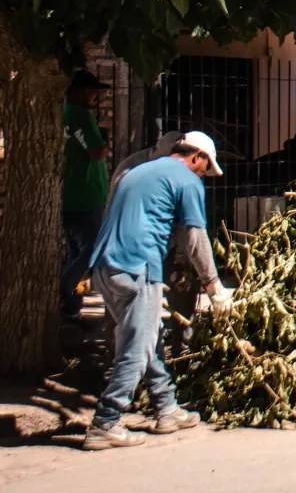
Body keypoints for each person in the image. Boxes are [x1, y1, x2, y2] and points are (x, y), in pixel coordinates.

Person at [82, 131, 234, 451]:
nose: (203, 175)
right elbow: (194, 238)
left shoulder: (137, 172)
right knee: (136, 348)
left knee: (149, 336)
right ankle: (105, 422)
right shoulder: (186, 180)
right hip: (137, 266)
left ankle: (166, 408)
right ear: (196, 157)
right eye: (205, 168)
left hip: (105, 266)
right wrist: (214, 286)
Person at [61, 70, 111, 318]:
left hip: (70, 195)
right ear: (76, 91)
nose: (95, 97)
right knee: (91, 250)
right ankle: (62, 292)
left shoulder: (64, 113)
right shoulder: (80, 115)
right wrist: (104, 144)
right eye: (91, 92)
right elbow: (97, 151)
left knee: (75, 252)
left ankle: (70, 306)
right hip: (85, 196)